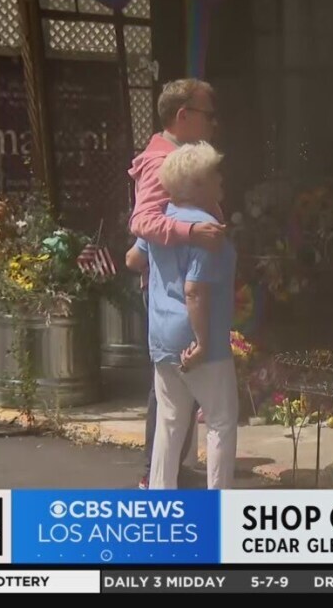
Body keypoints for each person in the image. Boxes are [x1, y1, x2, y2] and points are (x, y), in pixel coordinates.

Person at [127, 78, 226, 489]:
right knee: (184, 397)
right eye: (208, 115)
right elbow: (143, 222)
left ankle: (163, 481)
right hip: (180, 294)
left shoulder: (175, 156)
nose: (214, 124)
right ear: (183, 116)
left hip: (182, 290)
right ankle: (156, 477)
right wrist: (193, 233)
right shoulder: (162, 161)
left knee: (173, 397)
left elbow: (138, 249)